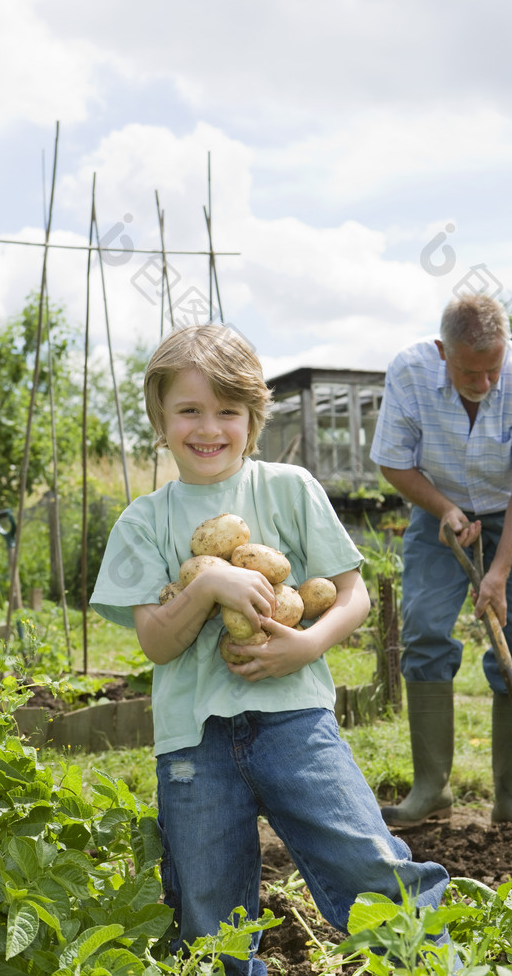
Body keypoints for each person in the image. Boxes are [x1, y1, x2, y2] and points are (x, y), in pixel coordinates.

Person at [90, 323, 456, 976]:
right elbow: (155, 640)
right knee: (208, 915)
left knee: (365, 860)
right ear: (160, 418)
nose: (209, 428)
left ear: (253, 419)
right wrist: (210, 583)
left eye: (228, 411)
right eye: (189, 411)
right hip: (192, 745)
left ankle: (430, 966)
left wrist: (308, 642)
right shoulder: (143, 521)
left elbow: (353, 596)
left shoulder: (288, 488)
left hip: (295, 721)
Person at [370, 293, 512, 828]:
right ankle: (431, 790)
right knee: (426, 633)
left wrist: (498, 573)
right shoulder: (410, 372)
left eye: (492, 369)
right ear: (443, 350)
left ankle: (510, 797)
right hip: (441, 511)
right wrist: (443, 507)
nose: (483, 383)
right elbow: (393, 461)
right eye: (468, 370)